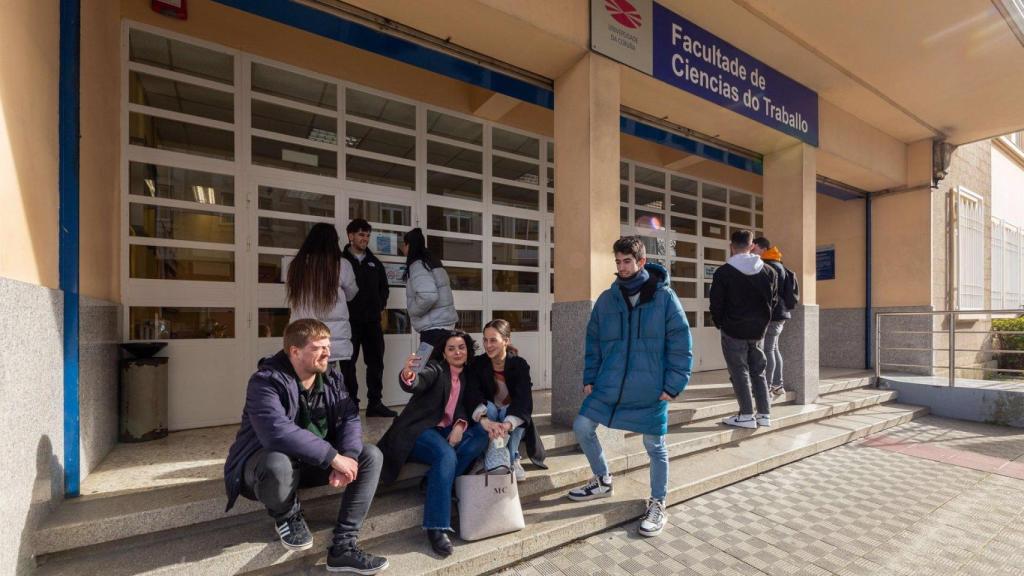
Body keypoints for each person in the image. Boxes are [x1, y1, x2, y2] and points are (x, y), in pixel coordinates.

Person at [223, 319, 388, 574]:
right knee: (277, 463)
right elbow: (276, 432)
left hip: (311, 463)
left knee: (370, 455)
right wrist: (333, 457)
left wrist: (349, 457)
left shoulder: (332, 377)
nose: (328, 353)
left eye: (328, 346)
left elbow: (350, 417)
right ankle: (287, 514)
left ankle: (344, 547)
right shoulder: (265, 381)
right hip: (262, 468)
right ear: (295, 351)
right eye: (319, 347)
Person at [565, 236, 692, 539]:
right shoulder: (607, 299)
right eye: (618, 262)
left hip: (650, 389)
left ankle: (658, 502)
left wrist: (673, 385)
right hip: (609, 385)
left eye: (627, 261)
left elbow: (681, 343)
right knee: (582, 426)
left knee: (654, 447)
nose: (622, 268)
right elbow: (593, 343)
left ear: (641, 262)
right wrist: (590, 377)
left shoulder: (665, 298)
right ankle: (602, 479)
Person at [376, 330, 489, 557]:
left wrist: (460, 424)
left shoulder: (467, 375)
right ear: (444, 354)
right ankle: (436, 527)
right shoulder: (437, 370)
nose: (457, 352)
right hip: (419, 430)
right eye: (451, 348)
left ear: (468, 351)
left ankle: (432, 482)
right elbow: (416, 381)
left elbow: (465, 407)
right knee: (445, 455)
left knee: (480, 436)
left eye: (461, 347)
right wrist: (408, 374)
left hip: (444, 430)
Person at [710, 230, 778, 430]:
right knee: (759, 371)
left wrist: (720, 324)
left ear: (732, 246)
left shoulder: (723, 272)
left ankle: (747, 415)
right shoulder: (769, 272)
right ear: (751, 246)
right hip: (758, 330)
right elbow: (773, 301)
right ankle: (764, 414)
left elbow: (716, 303)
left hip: (732, 330)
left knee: (739, 372)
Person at [286, 223, 360, 405]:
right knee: (327, 380)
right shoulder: (341, 265)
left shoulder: (296, 264)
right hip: (328, 335)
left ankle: (303, 414)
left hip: (302, 333)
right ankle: (325, 417)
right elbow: (352, 293)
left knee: (303, 378)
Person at [465, 319, 545, 481]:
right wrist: (485, 419)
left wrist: (507, 424)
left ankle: (513, 456)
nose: (488, 345)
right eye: (485, 340)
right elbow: (472, 393)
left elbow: (524, 399)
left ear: (506, 341)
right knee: (492, 409)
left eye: (493, 340)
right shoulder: (479, 364)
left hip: (511, 419)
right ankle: (487, 454)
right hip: (490, 417)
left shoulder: (519, 364)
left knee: (515, 411)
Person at [342, 218, 397, 418]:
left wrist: (379, 305)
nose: (364, 239)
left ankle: (375, 403)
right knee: (348, 365)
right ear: (350, 236)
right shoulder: (341, 262)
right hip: (349, 323)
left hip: (372, 323)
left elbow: (384, 288)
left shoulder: (375, 263)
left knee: (375, 363)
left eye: (367, 235)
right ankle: (351, 405)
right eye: (360, 234)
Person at [752, 237, 799, 397]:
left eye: (754, 248)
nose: (752, 251)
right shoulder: (779, 264)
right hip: (781, 313)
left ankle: (770, 386)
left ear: (762, 248)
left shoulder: (769, 266)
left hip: (773, 314)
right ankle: (778, 385)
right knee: (774, 348)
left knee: (768, 349)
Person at [401, 228, 458, 350]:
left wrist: (413, 311)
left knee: (427, 366)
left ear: (409, 245)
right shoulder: (432, 262)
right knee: (442, 366)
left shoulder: (417, 265)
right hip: (445, 325)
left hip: (434, 329)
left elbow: (428, 296)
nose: (402, 248)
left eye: (404, 244)